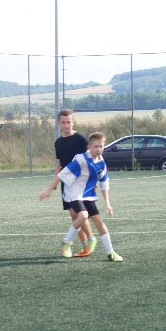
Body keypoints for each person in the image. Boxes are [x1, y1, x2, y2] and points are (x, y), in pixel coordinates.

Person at [40, 132, 123, 262]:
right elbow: (61, 175)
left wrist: (107, 203)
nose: (99, 149)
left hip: (87, 194)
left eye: (101, 146)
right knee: (83, 215)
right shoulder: (81, 160)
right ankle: (66, 243)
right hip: (72, 193)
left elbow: (104, 182)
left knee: (99, 223)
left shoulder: (101, 162)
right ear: (89, 146)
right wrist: (48, 190)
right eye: (96, 146)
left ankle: (110, 252)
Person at [54, 109, 96, 258]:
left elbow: (92, 159)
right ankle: (85, 246)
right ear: (59, 123)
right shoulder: (58, 142)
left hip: (80, 183)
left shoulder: (81, 139)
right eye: (63, 122)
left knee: (80, 214)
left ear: (73, 122)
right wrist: (55, 182)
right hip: (67, 184)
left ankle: (90, 240)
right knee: (74, 215)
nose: (66, 125)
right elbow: (59, 164)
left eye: (69, 122)